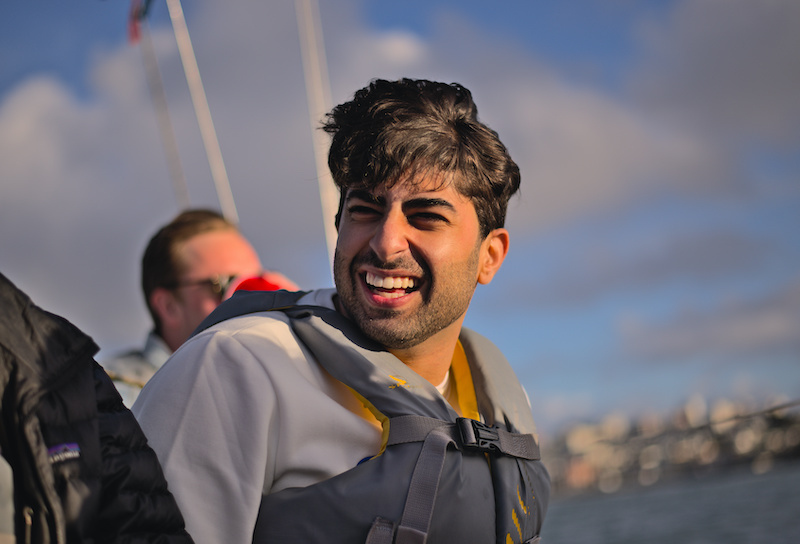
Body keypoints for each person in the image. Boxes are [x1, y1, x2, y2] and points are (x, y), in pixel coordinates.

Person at [133, 78, 550, 544]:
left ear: (489, 256)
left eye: (426, 216)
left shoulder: (499, 405)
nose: (386, 243)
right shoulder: (232, 370)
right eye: (365, 210)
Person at [0, 271, 194, 544]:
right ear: (168, 305)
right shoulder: (77, 372)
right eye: (223, 282)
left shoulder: (66, 370)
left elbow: (141, 525)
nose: (240, 293)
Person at [102, 209, 298, 406]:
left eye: (256, 283)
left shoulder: (273, 383)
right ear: (169, 307)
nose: (251, 300)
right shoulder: (108, 396)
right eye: (226, 284)